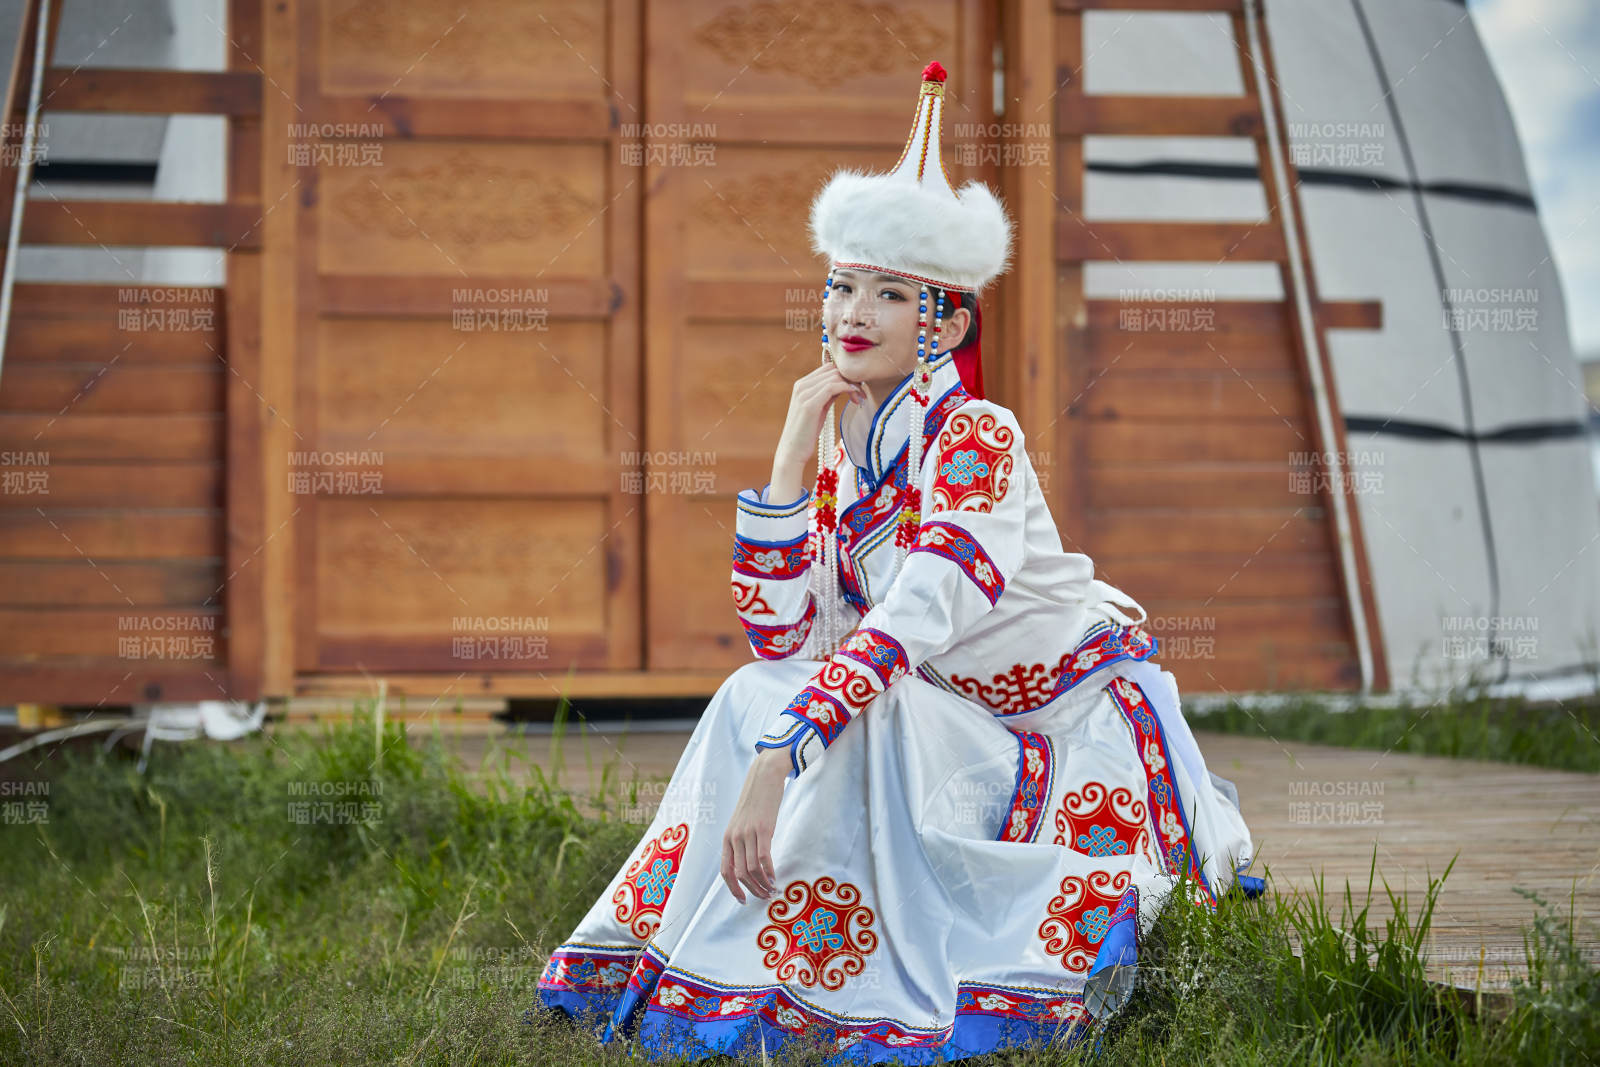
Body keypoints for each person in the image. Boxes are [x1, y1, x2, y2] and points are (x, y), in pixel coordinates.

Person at [532, 59, 1261, 1063]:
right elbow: (784, 639)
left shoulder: (976, 437)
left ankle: (829, 979)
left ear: (947, 323)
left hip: (1054, 734)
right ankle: (711, 959)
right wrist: (788, 460)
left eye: (888, 292)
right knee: (751, 690)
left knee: (849, 714)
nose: (852, 312)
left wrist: (784, 754)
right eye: (840, 286)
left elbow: (915, 617)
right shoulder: (846, 447)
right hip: (942, 716)